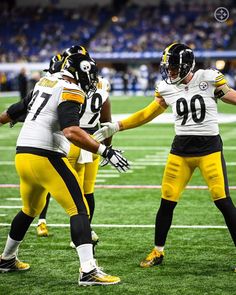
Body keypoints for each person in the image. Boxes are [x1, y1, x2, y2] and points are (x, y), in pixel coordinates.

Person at [93, 42, 236, 271]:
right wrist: (117, 126)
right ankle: (158, 251)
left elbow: (230, 96)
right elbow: (147, 113)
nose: (169, 71)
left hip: (209, 149)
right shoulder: (167, 87)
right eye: (167, 67)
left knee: (223, 201)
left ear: (187, 65)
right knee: (167, 202)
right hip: (180, 150)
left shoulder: (209, 78)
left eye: (173, 67)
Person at [0, 52, 130, 286]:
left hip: (23, 154)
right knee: (78, 209)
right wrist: (105, 151)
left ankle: (7, 257)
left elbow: (16, 109)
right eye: (88, 74)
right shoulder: (72, 89)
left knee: (29, 209)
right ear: (78, 72)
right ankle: (88, 270)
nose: (90, 80)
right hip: (45, 154)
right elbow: (71, 131)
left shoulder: (45, 81)